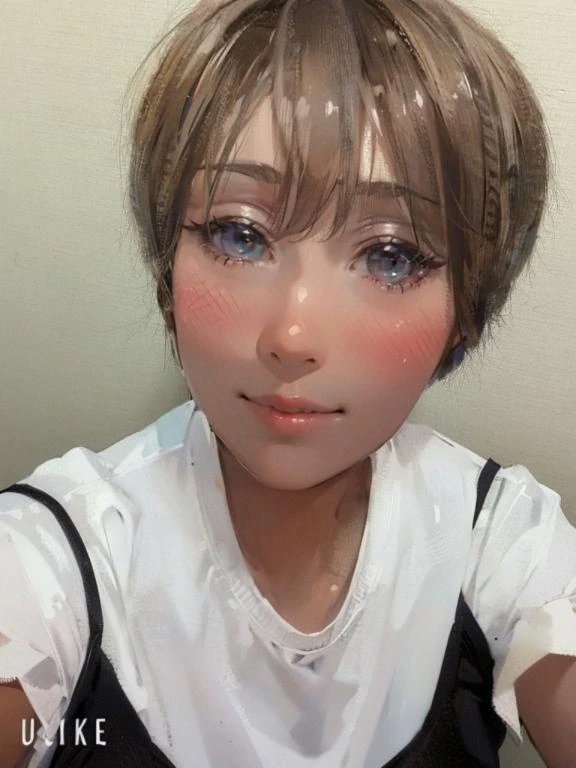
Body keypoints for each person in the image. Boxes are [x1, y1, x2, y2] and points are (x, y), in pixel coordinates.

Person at [1, 0, 575, 765]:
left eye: (391, 255)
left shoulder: (498, 539)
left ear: (466, 305)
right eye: (240, 234)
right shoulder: (53, 558)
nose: (292, 336)